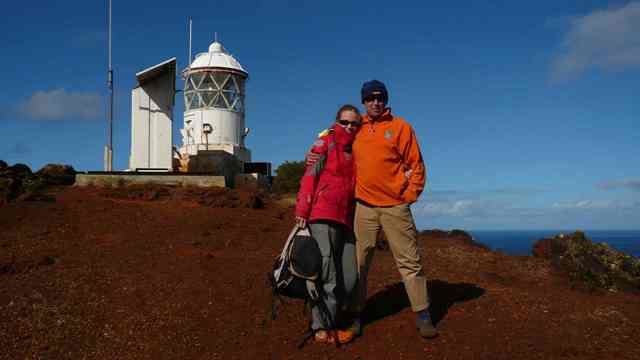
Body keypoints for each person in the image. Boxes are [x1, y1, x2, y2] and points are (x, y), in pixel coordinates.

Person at [320, 80, 436, 339]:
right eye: (370, 98)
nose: (375, 102)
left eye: (380, 97)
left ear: (386, 99)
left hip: (396, 206)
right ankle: (355, 313)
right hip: (364, 207)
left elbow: (416, 164)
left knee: (409, 261)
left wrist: (408, 195)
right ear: (363, 101)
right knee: (359, 263)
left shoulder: (400, 127)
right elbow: (330, 140)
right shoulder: (355, 126)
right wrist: (312, 155)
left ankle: (423, 312)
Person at [294, 104, 362, 344]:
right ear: (336, 122)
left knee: (351, 276)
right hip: (322, 215)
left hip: (347, 219)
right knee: (327, 275)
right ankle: (321, 326)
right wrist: (303, 208)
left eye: (354, 123)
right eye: (345, 122)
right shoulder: (324, 144)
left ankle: (336, 316)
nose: (349, 127)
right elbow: (309, 177)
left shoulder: (357, 149)